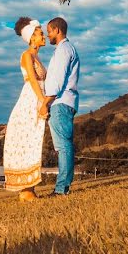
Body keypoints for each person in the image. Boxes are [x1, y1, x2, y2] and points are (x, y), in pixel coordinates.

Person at [3, 17, 49, 202]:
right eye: (40, 33)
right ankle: (26, 190)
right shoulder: (26, 55)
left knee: (35, 141)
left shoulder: (37, 56)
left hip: (38, 98)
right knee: (28, 139)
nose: (43, 35)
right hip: (31, 99)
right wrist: (42, 102)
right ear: (31, 38)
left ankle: (30, 188)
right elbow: (31, 79)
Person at [41, 17, 80, 196]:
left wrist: (46, 103)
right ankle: (63, 187)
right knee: (65, 145)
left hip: (60, 102)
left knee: (63, 146)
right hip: (66, 102)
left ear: (57, 30)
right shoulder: (65, 49)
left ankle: (61, 189)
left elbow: (57, 81)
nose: (48, 34)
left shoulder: (64, 50)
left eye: (49, 31)